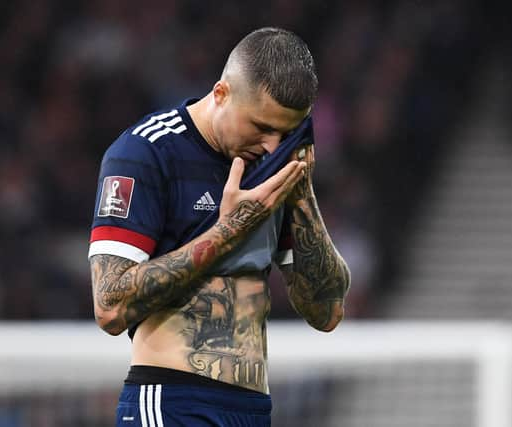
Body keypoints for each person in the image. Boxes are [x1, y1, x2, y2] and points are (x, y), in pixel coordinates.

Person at [88, 27, 350, 427]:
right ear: (221, 93)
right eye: (261, 126)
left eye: (284, 133)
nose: (270, 145)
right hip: (171, 400)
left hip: (252, 409)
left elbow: (326, 312)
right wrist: (229, 231)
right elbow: (109, 306)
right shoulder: (145, 152)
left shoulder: (274, 166)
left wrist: (301, 190)